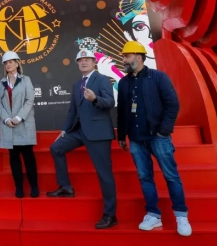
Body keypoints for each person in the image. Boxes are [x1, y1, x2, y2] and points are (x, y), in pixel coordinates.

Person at [116, 41, 192, 236]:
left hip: (158, 138)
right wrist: (122, 135)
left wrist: (163, 131)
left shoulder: (158, 77)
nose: (123, 59)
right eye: (123, 56)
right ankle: (153, 215)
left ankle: (181, 216)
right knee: (145, 177)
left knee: (171, 176)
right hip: (135, 139)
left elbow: (172, 104)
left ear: (139, 57)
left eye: (127, 56)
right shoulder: (124, 82)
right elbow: (122, 111)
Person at [47, 49, 118, 229]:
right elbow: (73, 110)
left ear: (94, 62)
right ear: (77, 64)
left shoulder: (102, 79)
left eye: (87, 59)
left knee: (104, 174)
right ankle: (65, 187)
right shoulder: (77, 84)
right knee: (56, 148)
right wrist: (64, 130)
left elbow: (110, 102)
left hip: (98, 132)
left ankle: (110, 214)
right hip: (79, 131)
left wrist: (95, 99)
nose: (84, 62)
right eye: (81, 60)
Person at [0, 51, 38, 198]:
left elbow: (29, 100)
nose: (8, 64)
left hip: (23, 124)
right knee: (13, 157)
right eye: (6, 63)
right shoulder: (1, 83)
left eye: (11, 62)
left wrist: (19, 117)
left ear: (17, 63)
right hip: (9, 126)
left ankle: (34, 186)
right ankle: (18, 187)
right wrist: (7, 119)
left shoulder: (26, 80)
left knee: (28, 157)